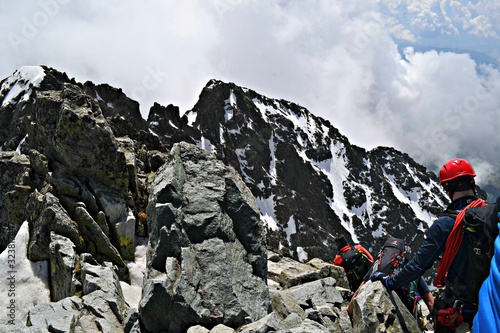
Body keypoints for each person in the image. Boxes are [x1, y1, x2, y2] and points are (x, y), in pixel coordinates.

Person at [371, 158, 486, 332]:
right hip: (491, 302)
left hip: (459, 307)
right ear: (472, 182)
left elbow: (418, 266)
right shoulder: (493, 217)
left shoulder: (445, 225)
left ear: (447, 189)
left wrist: (389, 282)